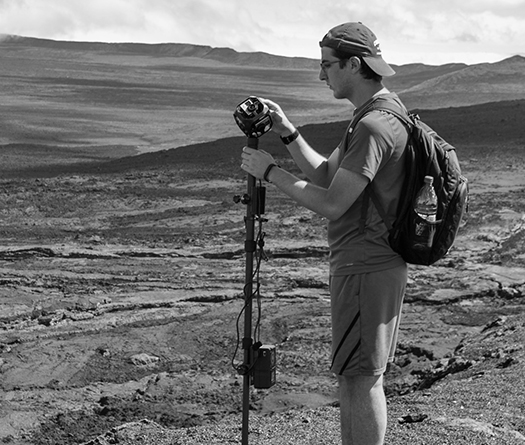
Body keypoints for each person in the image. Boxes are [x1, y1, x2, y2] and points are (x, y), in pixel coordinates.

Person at [240, 22, 409, 445]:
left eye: (326, 65)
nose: (321, 75)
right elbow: (326, 175)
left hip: (367, 265)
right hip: (366, 265)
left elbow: (333, 203)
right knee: (354, 376)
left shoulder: (375, 126)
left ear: (354, 65)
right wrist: (286, 130)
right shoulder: (373, 116)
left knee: (363, 378)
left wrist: (270, 172)